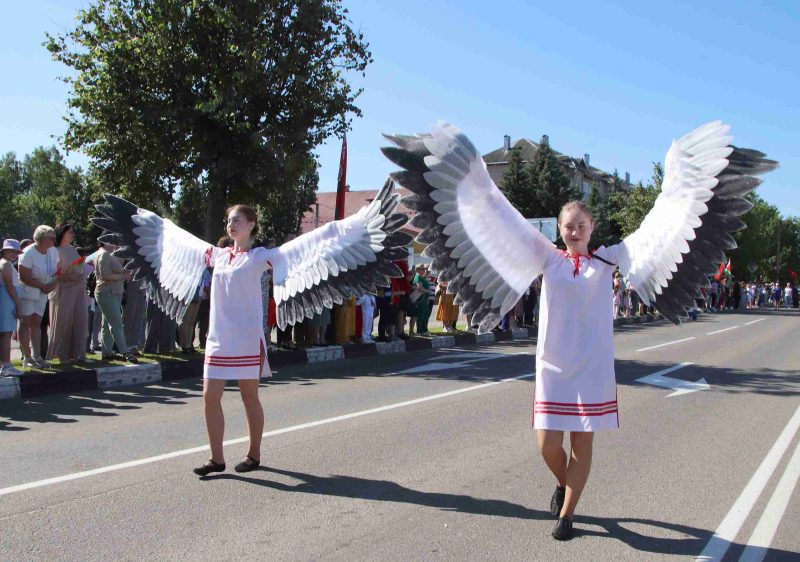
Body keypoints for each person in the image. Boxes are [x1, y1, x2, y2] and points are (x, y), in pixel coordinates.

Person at [17, 225, 60, 368]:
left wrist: (53, 283)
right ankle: (27, 357)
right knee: (25, 322)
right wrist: (43, 286)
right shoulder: (28, 253)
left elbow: (58, 270)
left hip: (44, 292)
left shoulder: (53, 251)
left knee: (37, 323)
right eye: (51, 238)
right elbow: (23, 276)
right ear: (41, 239)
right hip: (28, 291)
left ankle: (37, 356)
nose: (54, 240)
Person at [47, 224, 88, 364]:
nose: (72, 234)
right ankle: (60, 354)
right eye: (69, 232)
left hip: (79, 289)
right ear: (62, 233)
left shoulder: (72, 249)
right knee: (63, 321)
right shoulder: (55, 251)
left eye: (72, 232)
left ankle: (79, 353)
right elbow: (54, 274)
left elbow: (79, 267)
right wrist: (67, 276)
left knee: (80, 320)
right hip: (64, 290)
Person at [95, 243, 138, 363]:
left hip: (114, 292)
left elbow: (118, 271)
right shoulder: (103, 254)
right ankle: (125, 351)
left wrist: (125, 271)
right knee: (116, 322)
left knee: (107, 324)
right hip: (107, 292)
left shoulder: (111, 254)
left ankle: (107, 352)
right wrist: (123, 276)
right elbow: (106, 275)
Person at [0, 240, 24, 376]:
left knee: (4, 334)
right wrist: (18, 305)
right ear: (4, 251)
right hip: (7, 300)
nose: (15, 254)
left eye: (16, 252)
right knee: (6, 334)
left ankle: (3, 364)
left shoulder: (4, 263)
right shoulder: (6, 264)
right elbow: (10, 287)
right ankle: (6, 365)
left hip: (6, 300)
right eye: (12, 251)